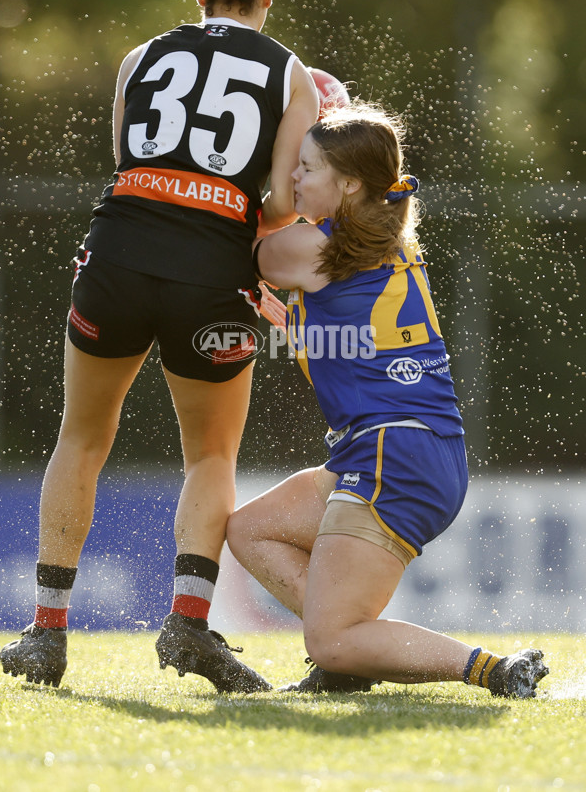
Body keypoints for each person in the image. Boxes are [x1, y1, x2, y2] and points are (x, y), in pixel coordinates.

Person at [0, 0, 319, 692]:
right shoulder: (291, 75)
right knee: (210, 454)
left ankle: (46, 633)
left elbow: (127, 161)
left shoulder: (143, 57)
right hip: (212, 274)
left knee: (81, 436)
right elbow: (280, 201)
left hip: (118, 255)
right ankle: (188, 625)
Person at [227, 103, 549, 699]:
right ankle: (349, 651)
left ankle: (493, 668)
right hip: (402, 448)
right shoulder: (374, 237)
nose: (293, 178)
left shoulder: (311, 248)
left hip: (393, 451)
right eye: (294, 166)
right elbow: (348, 328)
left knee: (330, 638)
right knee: (252, 530)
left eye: (306, 166)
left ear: (348, 185)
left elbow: (234, 243)